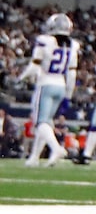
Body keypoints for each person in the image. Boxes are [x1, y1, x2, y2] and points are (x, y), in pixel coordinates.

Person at [17, 12, 73, 164]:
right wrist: (68, 94)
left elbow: (35, 66)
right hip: (61, 84)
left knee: (40, 122)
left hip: (46, 83)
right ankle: (34, 157)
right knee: (47, 121)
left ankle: (56, 148)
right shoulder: (72, 45)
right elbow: (72, 73)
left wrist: (21, 77)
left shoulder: (45, 41)